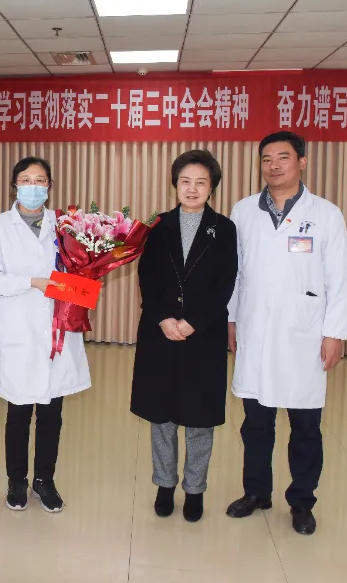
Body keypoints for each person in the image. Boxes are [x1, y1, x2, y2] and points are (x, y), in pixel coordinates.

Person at [226, 131, 347, 536]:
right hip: (255, 330)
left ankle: (301, 501)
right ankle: (256, 492)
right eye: (266, 159)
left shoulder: (326, 215)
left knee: (305, 426)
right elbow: (234, 272)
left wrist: (335, 333)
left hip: (304, 335)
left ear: (302, 162)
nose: (274, 165)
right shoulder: (244, 211)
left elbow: (340, 278)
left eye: (283, 157)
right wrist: (231, 319)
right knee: (255, 423)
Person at [130, 150, 238, 524]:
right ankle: (164, 485)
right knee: (161, 417)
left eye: (200, 182)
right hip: (160, 334)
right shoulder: (157, 225)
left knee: (199, 417)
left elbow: (225, 281)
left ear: (212, 188)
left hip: (203, 336)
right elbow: (147, 278)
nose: (192, 189)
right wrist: (163, 318)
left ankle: (195, 489)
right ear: (175, 185)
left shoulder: (224, 229)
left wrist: (193, 321)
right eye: (185, 181)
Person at [0, 156, 89, 514]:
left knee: (52, 414)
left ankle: (44, 480)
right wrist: (32, 282)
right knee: (19, 413)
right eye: (26, 180)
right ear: (14, 185)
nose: (33, 186)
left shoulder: (69, 226)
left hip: (58, 332)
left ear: (50, 187)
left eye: (40, 181)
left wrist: (80, 286)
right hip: (20, 332)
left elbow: (83, 275)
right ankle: (16, 480)